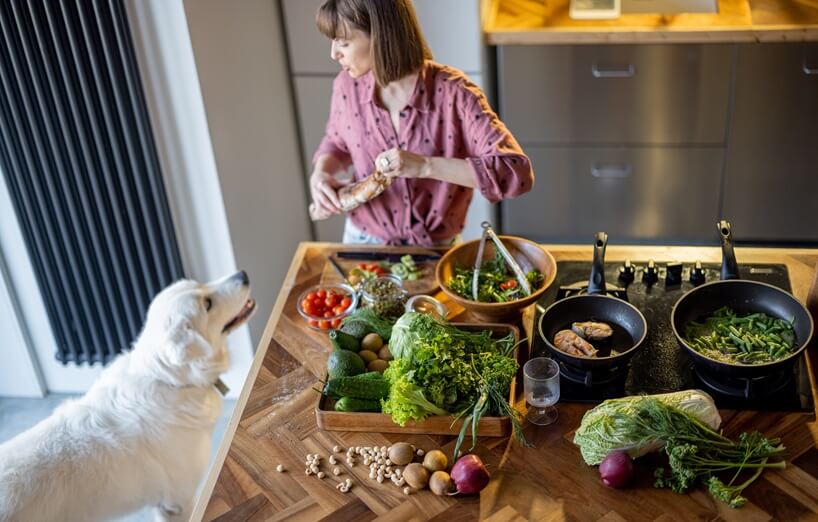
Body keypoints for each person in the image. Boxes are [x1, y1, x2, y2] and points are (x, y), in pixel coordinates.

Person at [309, 0, 533, 246]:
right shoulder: (346, 86)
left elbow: (515, 173)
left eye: (343, 42)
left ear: (381, 36)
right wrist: (321, 174)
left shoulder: (455, 93)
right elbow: (336, 141)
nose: (334, 53)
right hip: (362, 240)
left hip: (436, 248)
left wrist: (425, 166)